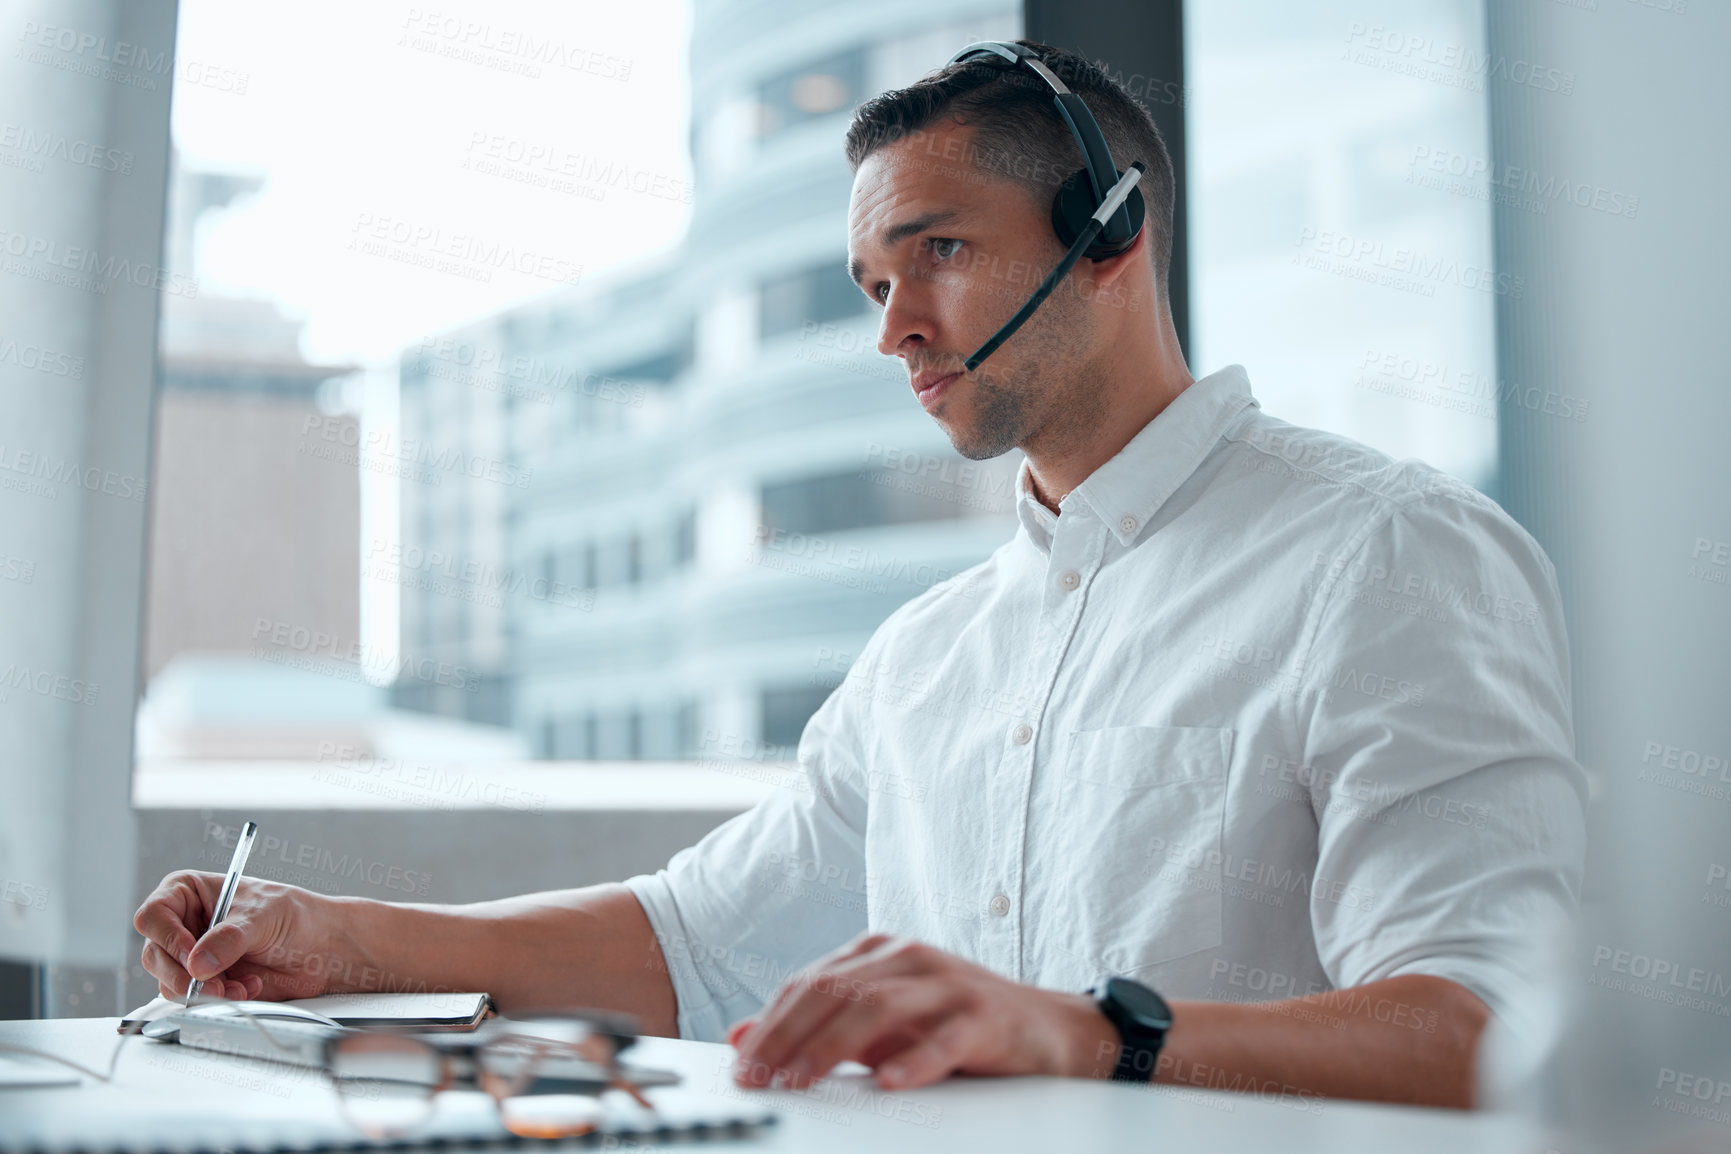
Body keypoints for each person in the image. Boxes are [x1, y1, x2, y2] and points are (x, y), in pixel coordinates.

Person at [134, 41, 1585, 1110]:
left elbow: (1492, 1022)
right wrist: (338, 937)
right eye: (872, 285)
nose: (896, 329)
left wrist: (1091, 1028)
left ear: (1112, 235)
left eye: (938, 253)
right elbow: (692, 945)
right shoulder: (927, 656)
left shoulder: (1387, 553)